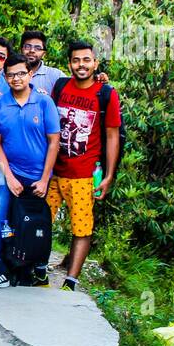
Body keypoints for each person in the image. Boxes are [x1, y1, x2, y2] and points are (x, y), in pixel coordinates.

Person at [46, 40, 123, 291]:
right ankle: (37, 269)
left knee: (81, 227)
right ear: (69, 64)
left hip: (84, 173)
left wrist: (109, 175)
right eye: (76, 60)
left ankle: (71, 281)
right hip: (53, 171)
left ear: (95, 63)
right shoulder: (60, 86)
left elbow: (112, 135)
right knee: (41, 221)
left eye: (86, 60)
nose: (81, 65)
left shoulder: (106, 94)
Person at [0, 53, 61, 290]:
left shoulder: (44, 102)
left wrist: (45, 179)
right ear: (5, 78)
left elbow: (54, 141)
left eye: (20, 73)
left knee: (32, 223)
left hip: (38, 175)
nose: (16, 78)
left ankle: (30, 268)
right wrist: (9, 176)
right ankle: (0, 269)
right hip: (7, 172)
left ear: (30, 74)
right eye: (10, 75)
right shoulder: (0, 104)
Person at [16, 29, 66, 96]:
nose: (32, 50)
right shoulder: (9, 74)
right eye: (27, 47)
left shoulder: (56, 76)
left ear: (44, 53)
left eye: (37, 48)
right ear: (21, 50)